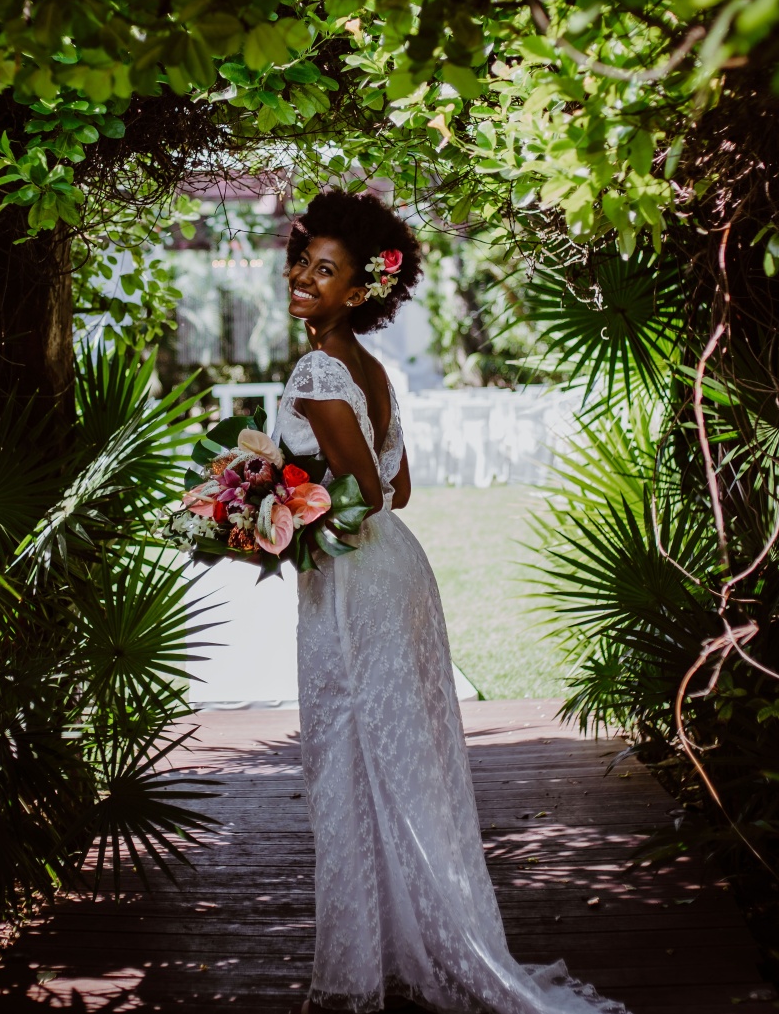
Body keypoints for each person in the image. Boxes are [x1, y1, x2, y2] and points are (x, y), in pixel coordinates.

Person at [278, 189, 628, 1014]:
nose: (303, 277)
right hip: (394, 570)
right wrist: (281, 498)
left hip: (355, 582)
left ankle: (358, 973)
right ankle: (399, 946)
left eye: (325, 270)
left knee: (348, 755)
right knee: (395, 760)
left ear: (358, 291)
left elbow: (365, 490)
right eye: (301, 260)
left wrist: (276, 513)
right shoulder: (375, 370)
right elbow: (401, 485)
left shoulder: (320, 369)